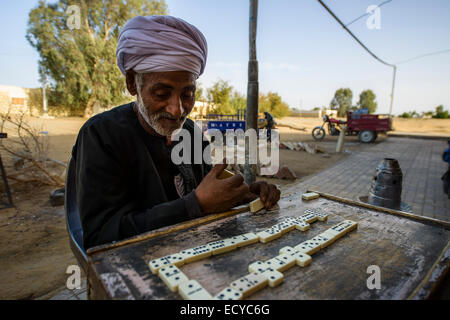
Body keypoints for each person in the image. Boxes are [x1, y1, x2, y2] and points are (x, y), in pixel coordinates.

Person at [72, 16, 281, 250]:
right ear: (132, 83)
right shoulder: (101, 135)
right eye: (161, 94)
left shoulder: (190, 132)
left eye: (187, 94)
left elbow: (207, 192)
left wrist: (244, 196)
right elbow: (100, 237)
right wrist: (194, 205)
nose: (177, 109)